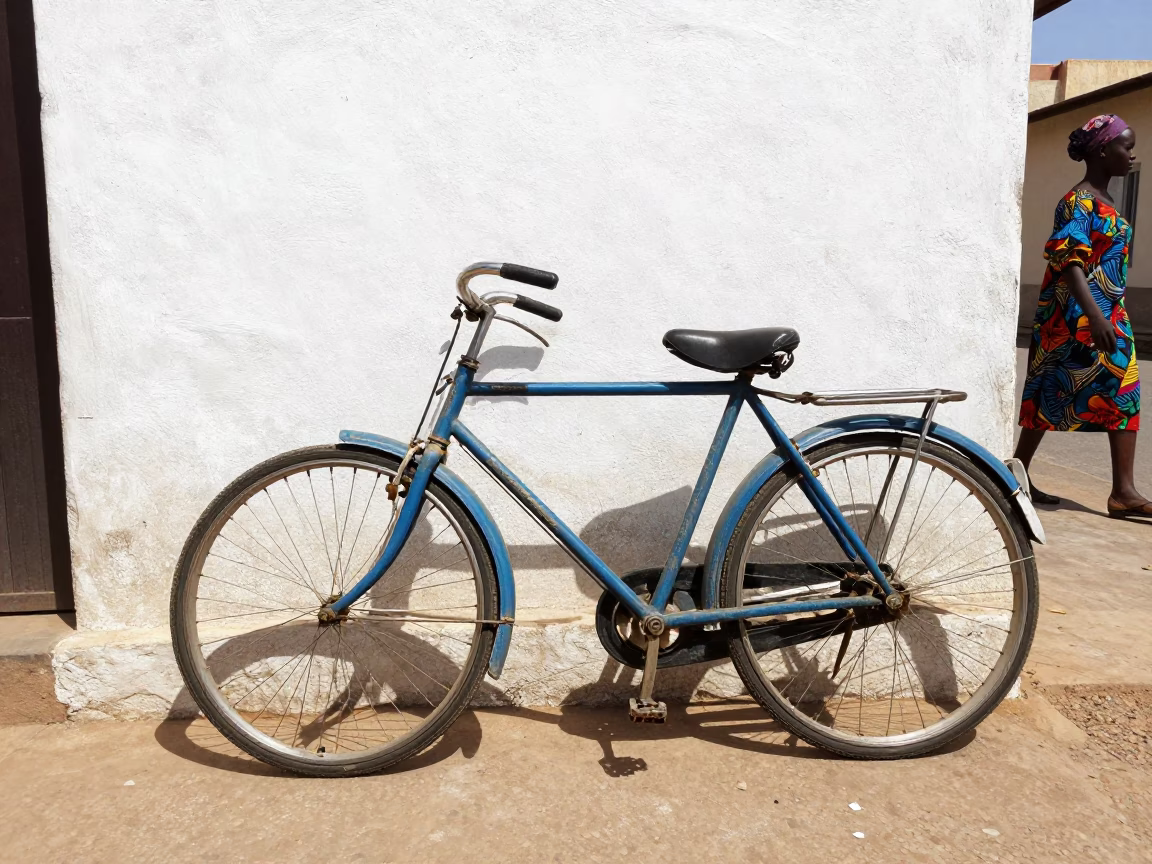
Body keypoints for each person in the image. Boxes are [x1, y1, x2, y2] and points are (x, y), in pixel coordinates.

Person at [1015, 113, 1146, 519]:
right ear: (1103, 151)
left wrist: (1110, 315)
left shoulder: (1106, 202)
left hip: (1109, 315)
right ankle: (1014, 477)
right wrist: (1095, 317)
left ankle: (1123, 491)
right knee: (1048, 392)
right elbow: (1069, 261)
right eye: (1126, 146)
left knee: (1124, 393)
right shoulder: (1077, 202)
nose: (1131, 154)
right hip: (1074, 318)